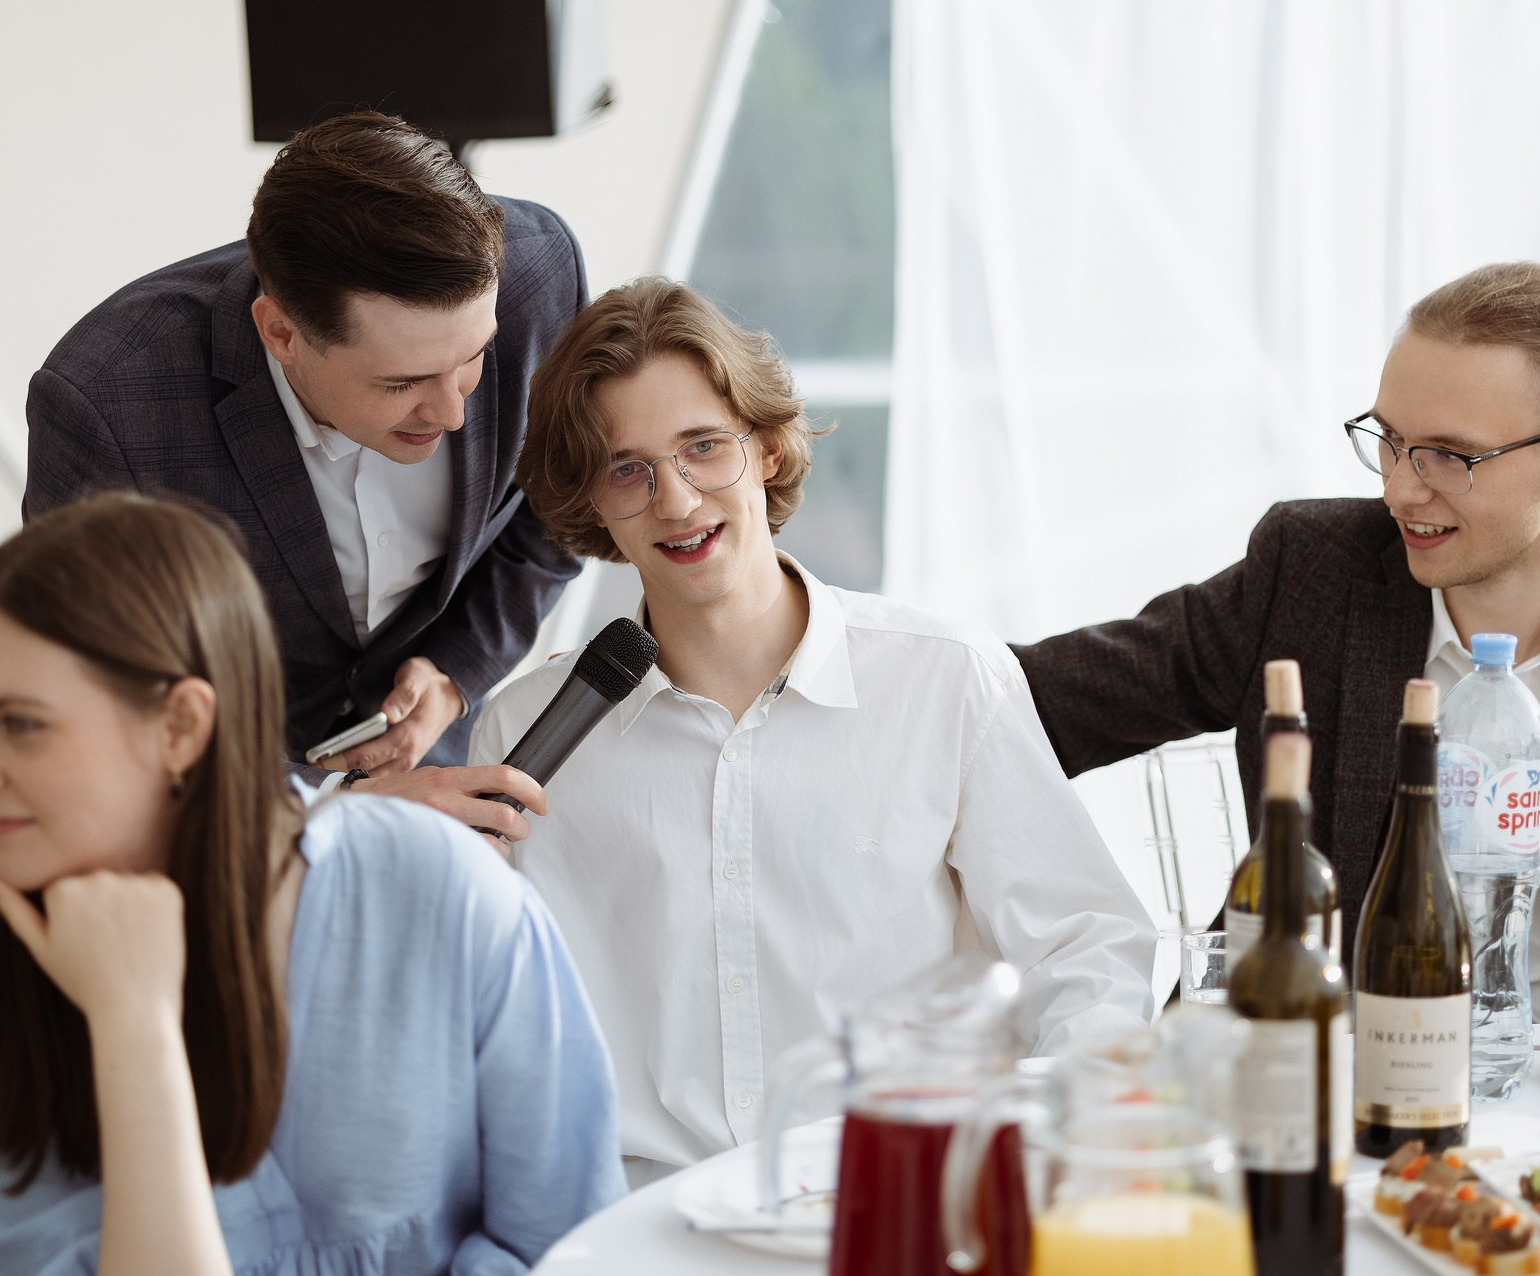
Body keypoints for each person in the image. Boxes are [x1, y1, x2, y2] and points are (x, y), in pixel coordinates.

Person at [468, 278, 1155, 1179]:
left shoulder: (946, 680)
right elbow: (485, 1023)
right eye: (627, 469)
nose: (675, 500)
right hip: (637, 1235)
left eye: (703, 448)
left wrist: (1055, 1150)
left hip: (898, 1208)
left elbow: (1086, 947)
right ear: (592, 500)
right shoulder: (523, 733)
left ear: (768, 449)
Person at [0, 493, 623, 1276]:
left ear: (181, 725)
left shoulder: (438, 891)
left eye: (20, 724)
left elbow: (562, 1275)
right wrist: (135, 1030)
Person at [1013, 262, 1540, 1019]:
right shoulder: (1310, 572)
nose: (1400, 489)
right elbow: (1030, 706)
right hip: (1315, 1070)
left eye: (1449, 456)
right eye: (1391, 440)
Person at [25, 111, 579, 841]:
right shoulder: (107, 406)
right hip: (212, 824)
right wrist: (332, 807)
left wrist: (453, 674)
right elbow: (99, 702)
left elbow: (559, 507)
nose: (452, 413)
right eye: (402, 382)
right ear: (280, 333)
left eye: (473, 357)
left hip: (441, 770)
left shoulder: (540, 277)